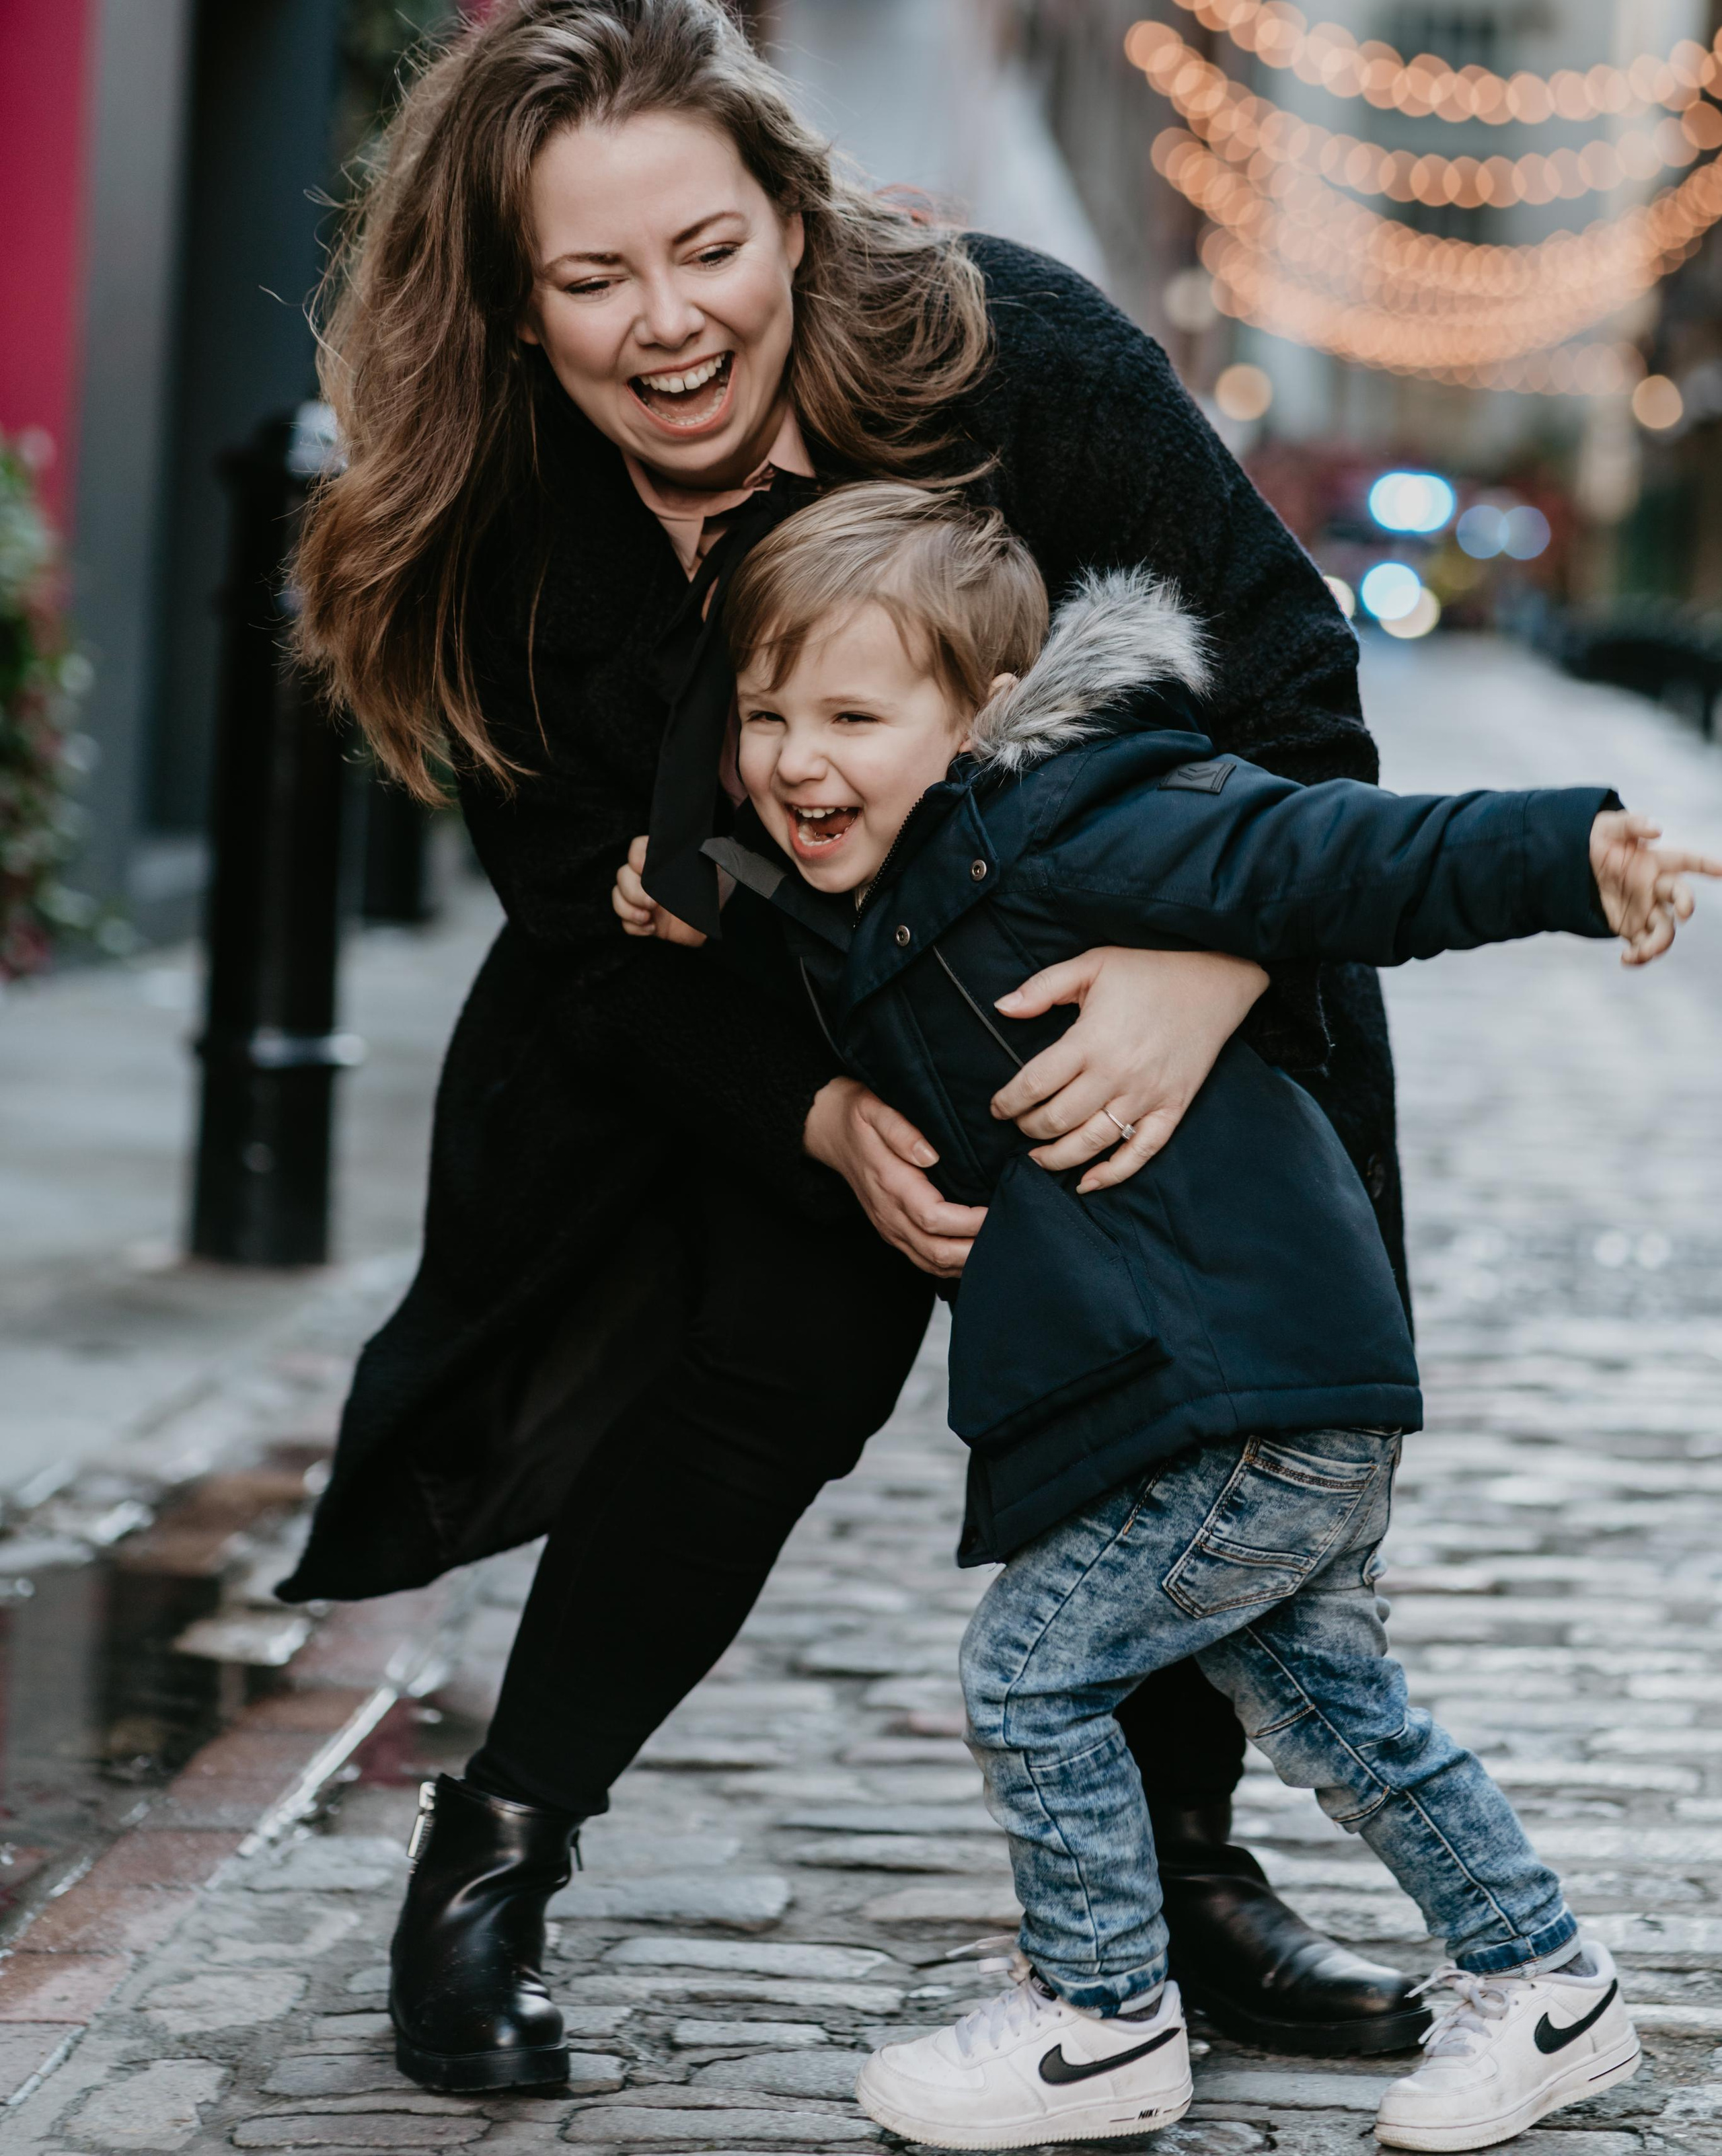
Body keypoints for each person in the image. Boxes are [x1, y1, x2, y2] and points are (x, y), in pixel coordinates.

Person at [284, 0, 1423, 2095]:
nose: (670, 319)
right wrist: (814, 1119)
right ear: (523, 311)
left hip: (1143, 955)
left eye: (707, 246)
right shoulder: (520, 540)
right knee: (756, 1371)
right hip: (770, 1018)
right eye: (596, 276)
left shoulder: (1018, 360)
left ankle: (1186, 1874)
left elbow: (1293, 684)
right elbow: (587, 936)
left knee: (1198, 1380)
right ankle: (492, 1857)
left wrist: (1199, 985)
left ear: (793, 218)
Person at [613, 481, 1714, 2153]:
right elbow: (802, 902)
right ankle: (1543, 1982)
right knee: (1337, 1706)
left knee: (1030, 1676)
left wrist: (1573, 850)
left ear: (975, 717)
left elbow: (1335, 855)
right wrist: (683, 871)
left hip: (1242, 1375)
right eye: (764, 714)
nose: (791, 756)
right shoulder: (883, 859)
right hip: (1227, 1372)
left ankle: (1101, 2014)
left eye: (848, 711)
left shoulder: (1082, 817)